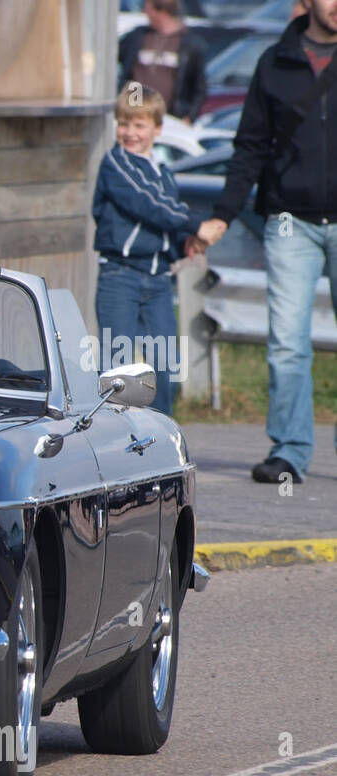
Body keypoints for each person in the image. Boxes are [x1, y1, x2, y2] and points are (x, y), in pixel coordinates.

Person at [197, 0, 337, 484]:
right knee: (287, 343)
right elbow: (250, 145)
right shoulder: (274, 61)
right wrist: (222, 215)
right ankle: (290, 451)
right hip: (288, 221)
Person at [93, 84, 203, 417]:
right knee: (118, 368)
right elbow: (149, 205)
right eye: (123, 124)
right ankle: (113, 440)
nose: (129, 133)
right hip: (119, 276)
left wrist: (183, 243)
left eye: (139, 125)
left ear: (157, 129)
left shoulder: (164, 173)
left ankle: (163, 437)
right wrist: (197, 225)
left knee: (165, 363)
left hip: (157, 281)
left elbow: (165, 219)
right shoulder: (116, 163)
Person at [117, 0, 207, 122]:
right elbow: (116, 62)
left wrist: (190, 116)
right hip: (135, 109)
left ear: (162, 11)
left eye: (148, 8)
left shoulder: (190, 43)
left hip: (170, 115)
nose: (145, 12)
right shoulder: (137, 36)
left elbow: (199, 87)